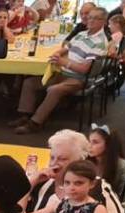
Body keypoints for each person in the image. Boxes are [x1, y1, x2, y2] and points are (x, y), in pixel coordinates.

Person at [12, 6, 110, 134]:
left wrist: (64, 62)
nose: (90, 20)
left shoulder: (100, 43)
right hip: (62, 72)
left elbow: (84, 69)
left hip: (79, 79)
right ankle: (25, 115)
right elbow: (66, 47)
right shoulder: (81, 34)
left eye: (95, 18)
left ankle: (35, 122)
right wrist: (58, 53)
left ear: (103, 21)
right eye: (89, 17)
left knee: (54, 90)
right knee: (29, 83)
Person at [27, 129, 125, 213]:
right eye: (52, 158)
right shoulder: (42, 181)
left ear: (80, 161)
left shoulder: (97, 187)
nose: (54, 164)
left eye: (62, 159)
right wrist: (32, 181)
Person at [88, 123, 125, 197]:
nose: (89, 146)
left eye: (95, 142)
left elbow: (122, 196)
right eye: (89, 141)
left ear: (108, 144)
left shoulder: (122, 166)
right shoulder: (87, 162)